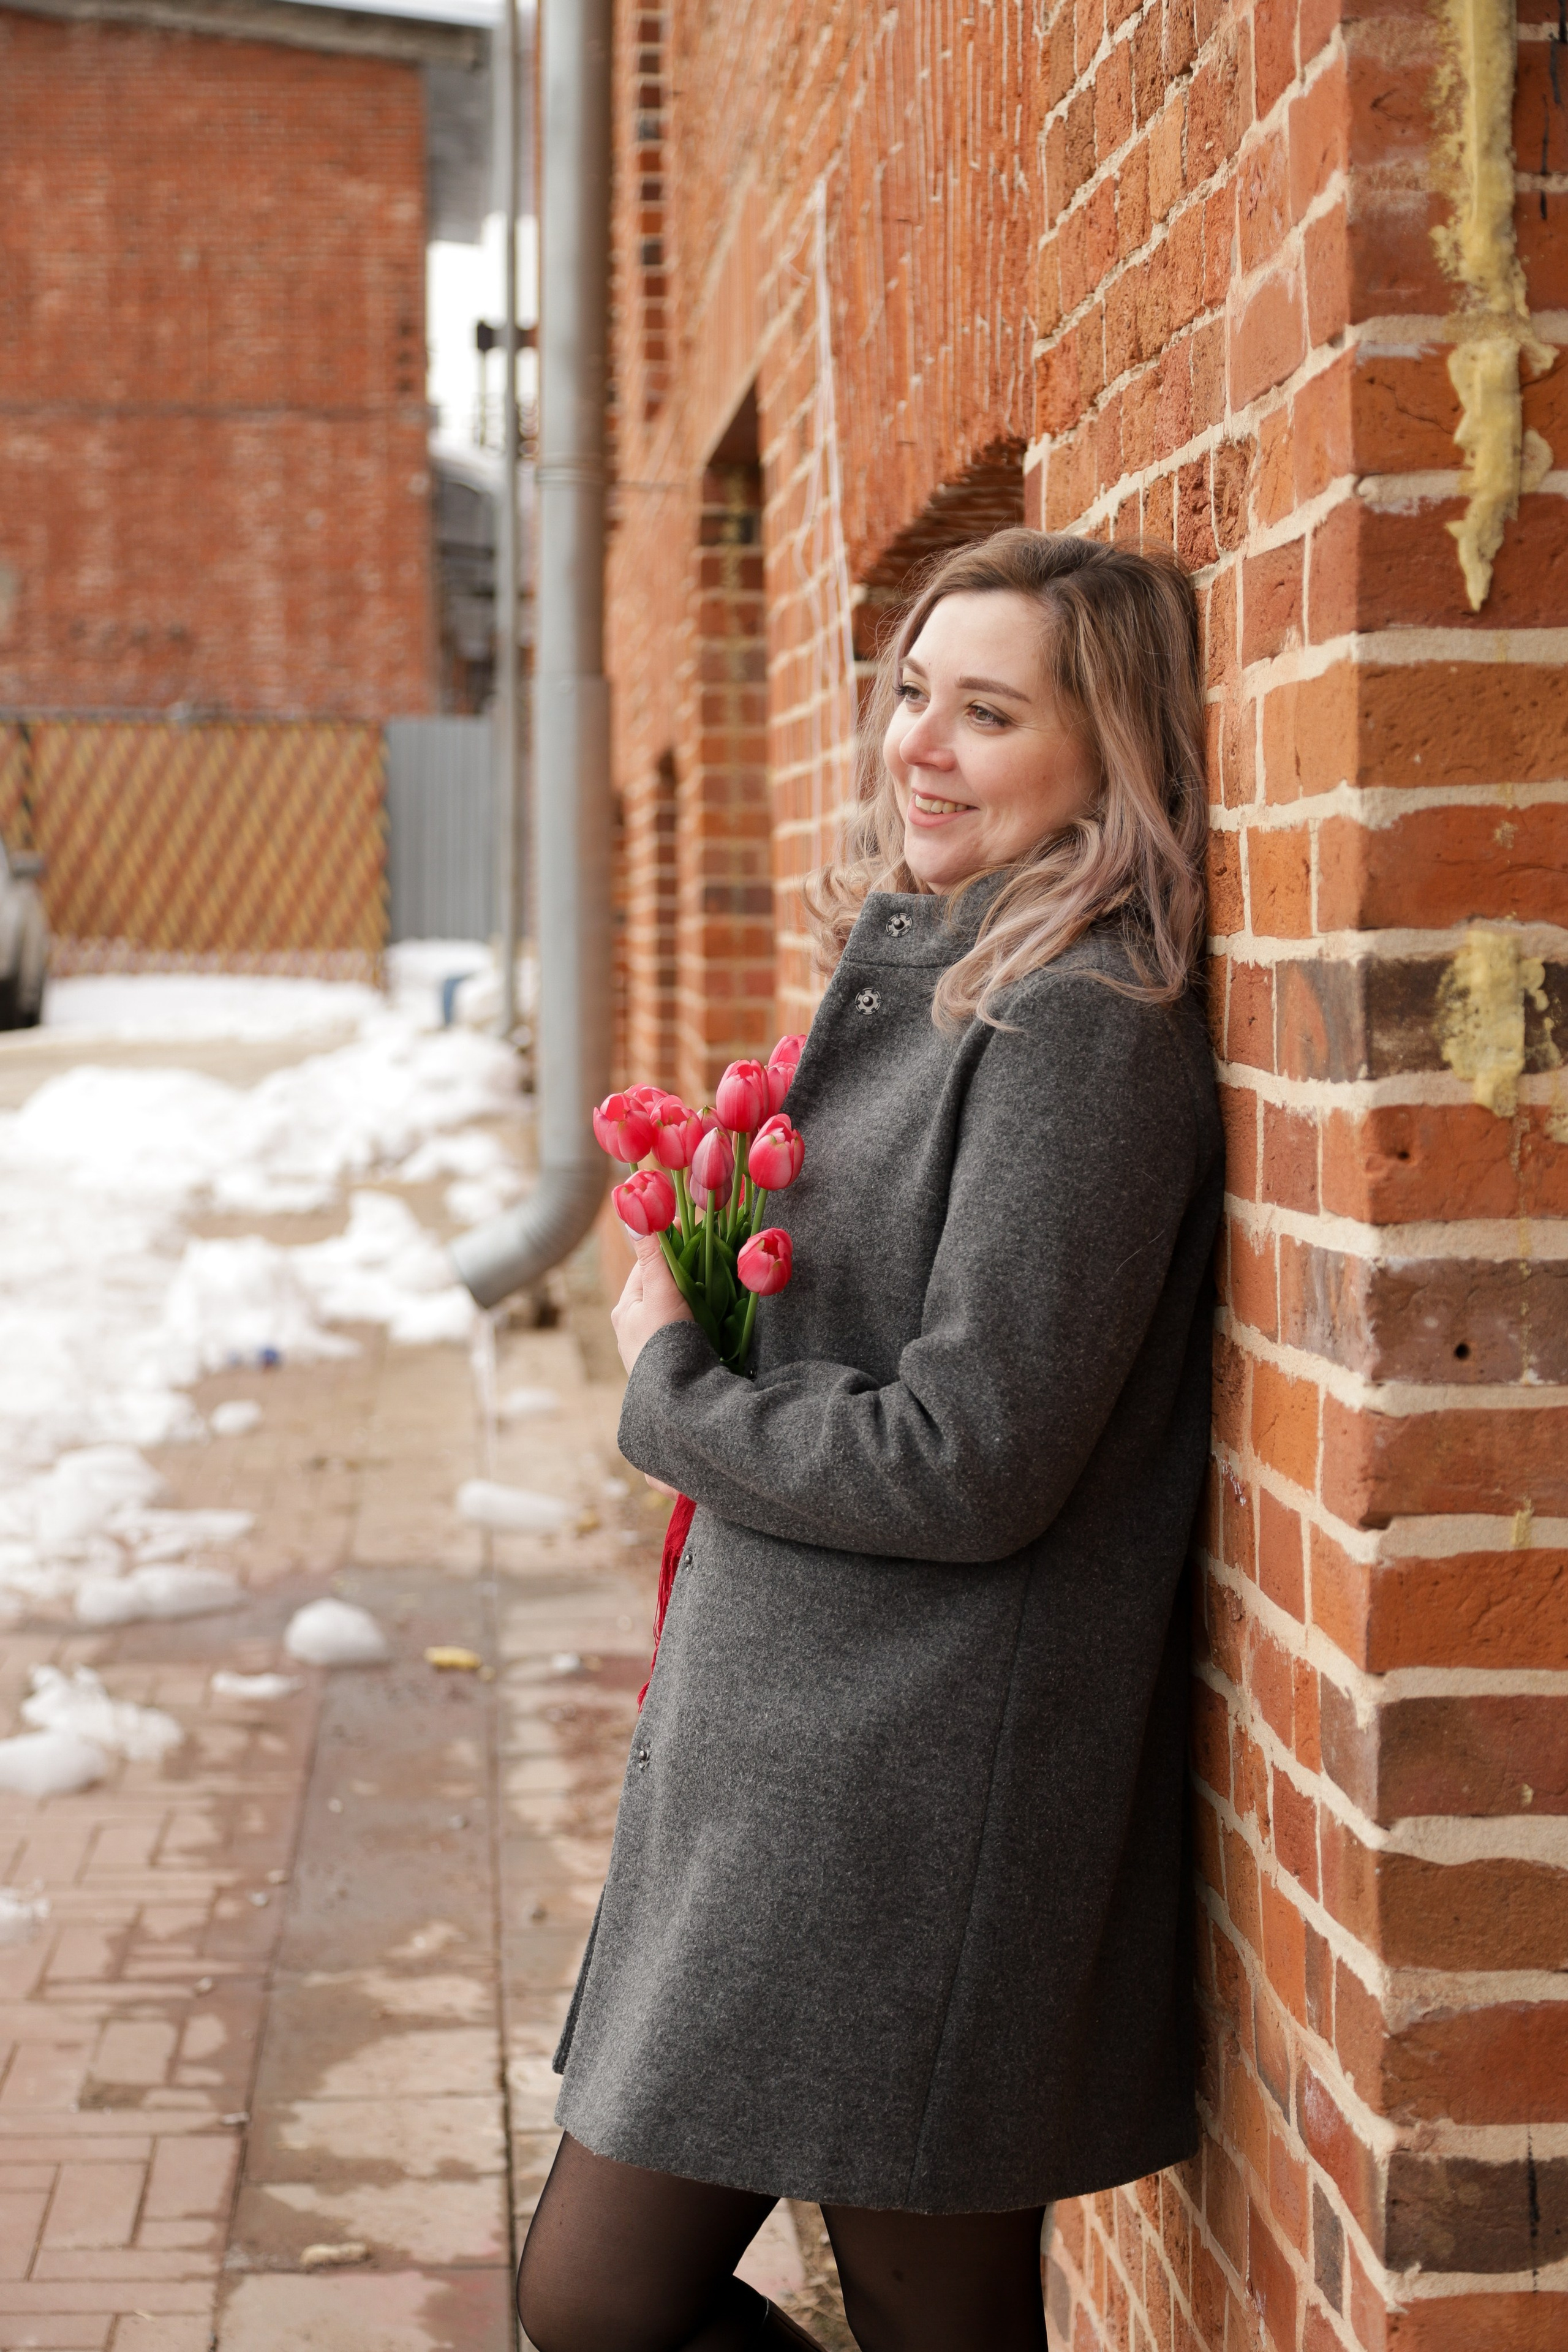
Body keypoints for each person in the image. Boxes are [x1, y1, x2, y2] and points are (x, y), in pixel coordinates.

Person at [516, 528, 1224, 2352]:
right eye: (914, 692)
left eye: (988, 713)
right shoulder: (952, 972)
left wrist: (679, 1386)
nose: (921, 742)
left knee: (607, 2305)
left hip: (914, 1780)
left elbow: (972, 1453)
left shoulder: (1075, 1029)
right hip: (821, 1758)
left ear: (1115, 755)